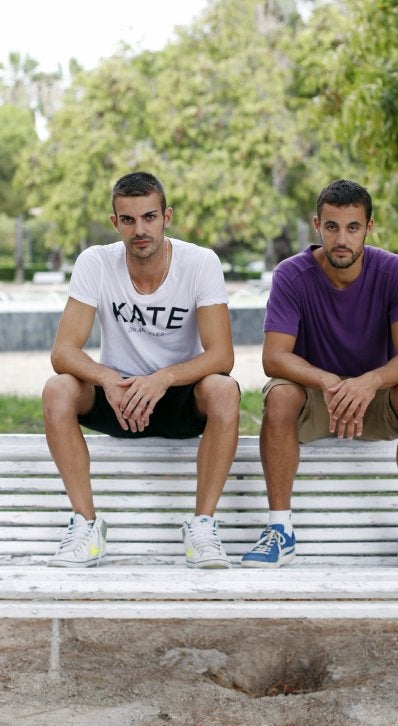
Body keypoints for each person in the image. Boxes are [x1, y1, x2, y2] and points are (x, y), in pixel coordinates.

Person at [43, 171, 240, 569]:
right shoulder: (95, 262)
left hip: (177, 396)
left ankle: (202, 526)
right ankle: (86, 526)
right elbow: (63, 351)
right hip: (115, 395)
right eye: (128, 220)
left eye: (149, 217)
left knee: (223, 389)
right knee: (57, 389)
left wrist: (163, 378)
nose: (140, 230)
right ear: (115, 222)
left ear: (167, 217)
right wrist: (109, 379)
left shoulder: (200, 262)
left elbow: (222, 356)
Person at [241, 179, 398, 569]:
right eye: (332, 227)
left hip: (376, 398)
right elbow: (274, 357)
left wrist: (368, 382)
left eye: (352, 227)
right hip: (317, 398)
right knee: (279, 394)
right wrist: (329, 382)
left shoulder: (397, 272)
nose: (341, 239)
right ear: (318, 225)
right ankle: (280, 530)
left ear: (369, 227)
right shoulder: (291, 274)